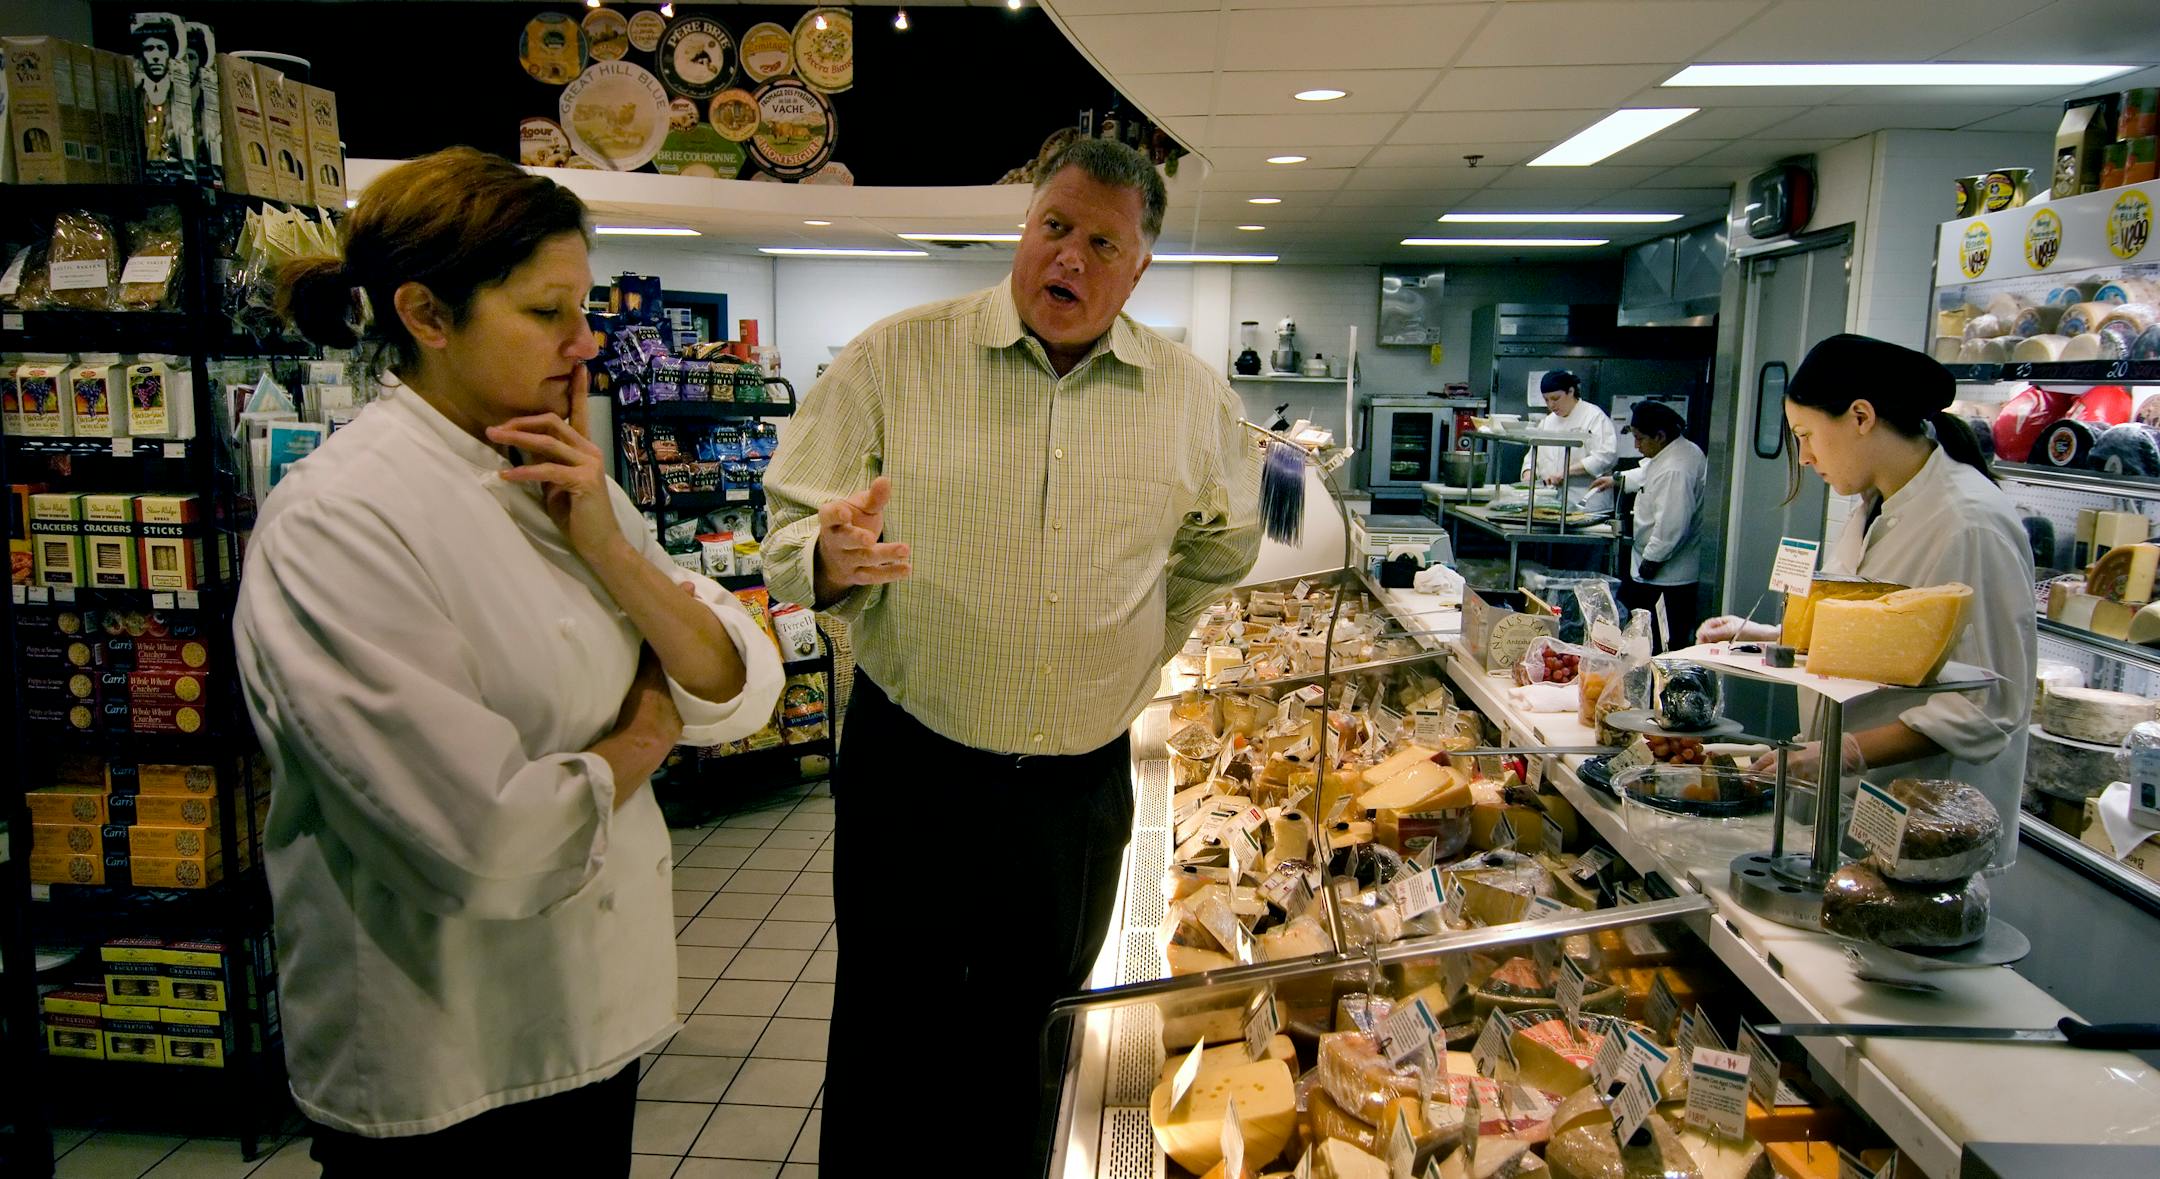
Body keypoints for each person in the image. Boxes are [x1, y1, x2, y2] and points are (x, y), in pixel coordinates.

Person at [234, 148, 784, 1175]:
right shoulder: (339, 521)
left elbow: (737, 681)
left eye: (584, 308)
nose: (585, 343)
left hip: (591, 1026)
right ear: (426, 315)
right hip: (444, 1064)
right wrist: (647, 731)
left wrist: (613, 552)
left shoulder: (561, 473)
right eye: (546, 312)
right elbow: (479, 838)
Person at [761, 136, 1263, 1173]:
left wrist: (1140, 641)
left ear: (1139, 268)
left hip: (1073, 794)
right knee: (888, 1029)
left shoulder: (1192, 399)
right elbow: (789, 527)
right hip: (914, 768)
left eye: (1102, 243)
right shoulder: (895, 358)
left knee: (1033, 1038)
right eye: (1054, 227)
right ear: (1025, 227)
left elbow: (1226, 545)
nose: (1068, 257)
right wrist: (828, 557)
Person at [1698, 334, 2034, 866]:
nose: (1805, 457)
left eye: (1807, 435)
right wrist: (1770, 636)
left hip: (1928, 816)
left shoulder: (1968, 523)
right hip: (1853, 807)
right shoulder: (1876, 506)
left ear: (1861, 417)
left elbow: (1990, 704)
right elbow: (1885, 632)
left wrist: (1846, 752)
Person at [1592, 400, 1705, 651]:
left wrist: (1651, 561)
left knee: (1658, 644)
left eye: (1640, 438)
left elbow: (1671, 526)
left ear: (1660, 436)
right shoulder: (1677, 451)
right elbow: (1648, 473)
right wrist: (1617, 479)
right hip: (1660, 571)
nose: (1636, 445)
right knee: (1646, 640)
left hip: (1667, 576)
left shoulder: (1676, 470)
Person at [1521, 369, 1618, 516]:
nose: (1551, 405)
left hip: (1588, 504)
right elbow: (1533, 455)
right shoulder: (1548, 422)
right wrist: (1528, 473)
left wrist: (1565, 473)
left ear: (1571, 391)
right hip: (1551, 504)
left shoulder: (1593, 416)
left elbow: (1606, 456)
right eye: (1546, 400)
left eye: (1555, 398)